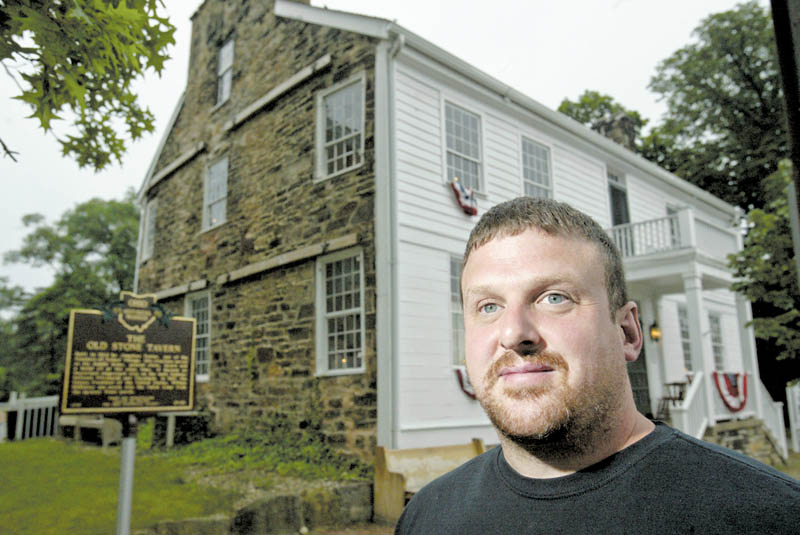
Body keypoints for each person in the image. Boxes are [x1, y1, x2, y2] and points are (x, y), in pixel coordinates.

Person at [395, 197, 799, 534]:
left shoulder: (768, 517)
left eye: (554, 298)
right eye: (488, 306)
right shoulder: (427, 517)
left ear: (627, 332)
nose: (513, 332)